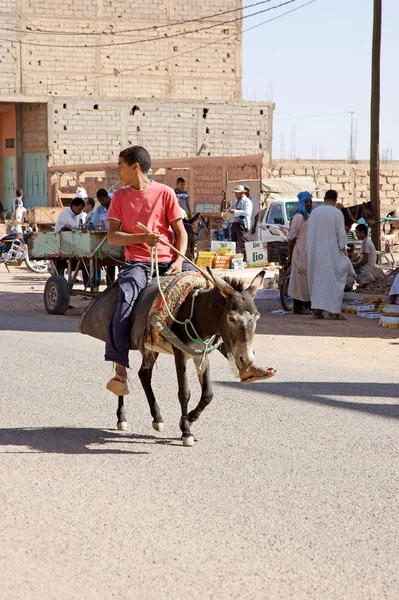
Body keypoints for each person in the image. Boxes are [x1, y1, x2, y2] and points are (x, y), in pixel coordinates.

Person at [105, 145, 273, 395]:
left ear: (135, 167)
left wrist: (176, 260)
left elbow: (180, 232)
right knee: (124, 301)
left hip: (171, 261)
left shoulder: (165, 193)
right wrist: (140, 237)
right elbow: (113, 237)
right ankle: (120, 372)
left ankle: (245, 366)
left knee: (213, 301)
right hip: (138, 264)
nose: (117, 169)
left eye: (120, 165)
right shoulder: (119, 197)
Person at [306, 189, 348, 319]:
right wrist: (344, 254)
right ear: (335, 200)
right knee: (333, 282)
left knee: (317, 281)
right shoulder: (337, 213)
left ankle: (317, 310)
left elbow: (310, 234)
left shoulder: (314, 213)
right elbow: (341, 236)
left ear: (324, 199)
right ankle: (333, 311)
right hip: (331, 255)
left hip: (315, 253)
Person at [287, 191, 313, 315]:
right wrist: (290, 254)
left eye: (310, 202)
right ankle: (299, 307)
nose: (308, 204)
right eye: (306, 202)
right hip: (300, 253)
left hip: (309, 253)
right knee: (299, 280)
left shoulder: (310, 216)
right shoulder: (298, 217)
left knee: (307, 280)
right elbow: (291, 237)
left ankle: (307, 306)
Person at [227, 185, 252, 260]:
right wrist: (229, 206)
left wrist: (235, 211)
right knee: (234, 243)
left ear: (242, 193)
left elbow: (247, 212)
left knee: (243, 243)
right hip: (235, 224)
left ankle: (246, 259)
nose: (235, 195)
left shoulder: (247, 202)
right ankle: (236, 259)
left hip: (242, 225)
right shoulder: (236, 201)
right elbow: (230, 209)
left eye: (237, 193)